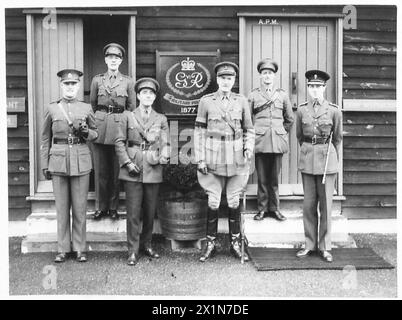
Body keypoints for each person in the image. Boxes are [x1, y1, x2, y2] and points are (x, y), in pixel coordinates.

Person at [194, 61, 255, 262]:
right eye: (222, 78)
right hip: (213, 157)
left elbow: (249, 129)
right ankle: (210, 243)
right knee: (213, 200)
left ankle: (235, 243)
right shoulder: (206, 101)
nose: (226, 81)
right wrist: (200, 157)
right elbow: (199, 131)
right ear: (217, 80)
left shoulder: (242, 101)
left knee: (233, 200)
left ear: (234, 80)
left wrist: (248, 147)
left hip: (237, 157)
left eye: (229, 78)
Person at [40, 69, 98, 263]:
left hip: (81, 160)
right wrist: (44, 164)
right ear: (61, 86)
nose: (70, 87)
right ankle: (63, 248)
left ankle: (80, 248)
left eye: (73, 84)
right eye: (67, 84)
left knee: (80, 208)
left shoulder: (86, 108)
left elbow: (95, 135)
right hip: (58, 161)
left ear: (79, 86)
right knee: (62, 208)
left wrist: (86, 131)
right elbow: (45, 138)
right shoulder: (52, 109)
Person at [115, 77, 170, 266]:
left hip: (153, 168)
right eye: (144, 93)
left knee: (149, 211)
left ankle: (147, 245)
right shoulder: (127, 116)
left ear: (154, 97)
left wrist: (164, 156)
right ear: (138, 95)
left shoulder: (161, 118)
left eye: (151, 93)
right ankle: (132, 250)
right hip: (134, 167)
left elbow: (166, 143)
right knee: (133, 212)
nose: (148, 96)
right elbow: (119, 142)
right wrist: (127, 163)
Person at [295, 70, 342, 263]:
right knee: (308, 206)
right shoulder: (301, 110)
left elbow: (337, 138)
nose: (314, 90)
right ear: (308, 88)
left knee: (326, 205)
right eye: (311, 86)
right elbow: (300, 136)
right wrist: (309, 150)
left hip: (326, 163)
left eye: (318, 86)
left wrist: (331, 158)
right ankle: (309, 244)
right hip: (308, 161)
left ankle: (325, 247)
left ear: (324, 88)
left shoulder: (333, 110)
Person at [90, 43, 136, 220]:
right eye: (110, 57)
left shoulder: (128, 81)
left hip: (119, 129)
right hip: (100, 129)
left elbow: (131, 107)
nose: (113, 60)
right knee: (101, 171)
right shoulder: (97, 80)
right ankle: (100, 207)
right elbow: (93, 105)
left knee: (116, 172)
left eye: (116, 58)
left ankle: (113, 207)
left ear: (121, 60)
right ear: (105, 60)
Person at [248, 58, 294, 222]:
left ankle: (274, 209)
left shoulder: (282, 95)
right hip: (260, 142)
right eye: (264, 73)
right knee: (262, 178)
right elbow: (247, 118)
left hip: (277, 142)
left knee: (274, 179)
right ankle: (262, 209)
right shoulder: (253, 95)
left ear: (274, 76)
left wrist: (281, 132)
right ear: (260, 76)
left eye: (270, 73)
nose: (267, 76)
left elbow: (289, 119)